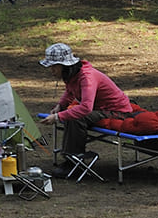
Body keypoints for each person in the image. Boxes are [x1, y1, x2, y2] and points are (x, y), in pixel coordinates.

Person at [35, 42, 134, 172]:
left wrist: (58, 117)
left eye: (54, 66)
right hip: (100, 109)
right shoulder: (71, 75)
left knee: (76, 117)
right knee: (70, 113)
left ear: (65, 66)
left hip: (117, 111)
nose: (51, 70)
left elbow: (86, 108)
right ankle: (70, 156)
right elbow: (70, 92)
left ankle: (74, 160)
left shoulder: (87, 77)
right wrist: (60, 106)